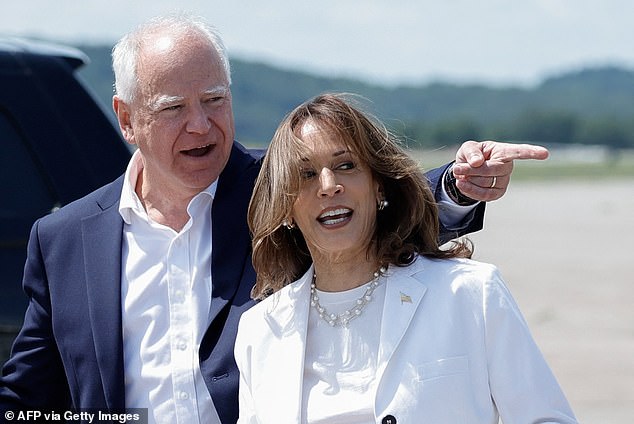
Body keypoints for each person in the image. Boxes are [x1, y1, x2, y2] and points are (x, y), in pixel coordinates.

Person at [0, 13, 548, 424]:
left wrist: (457, 183)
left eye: (214, 100)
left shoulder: (281, 185)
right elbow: (28, 400)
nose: (201, 125)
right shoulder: (65, 239)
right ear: (127, 118)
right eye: (173, 108)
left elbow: (361, 197)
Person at [235, 93, 577, 423]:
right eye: (306, 174)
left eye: (346, 165)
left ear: (378, 185)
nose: (328, 185)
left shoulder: (470, 293)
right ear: (286, 207)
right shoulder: (259, 331)